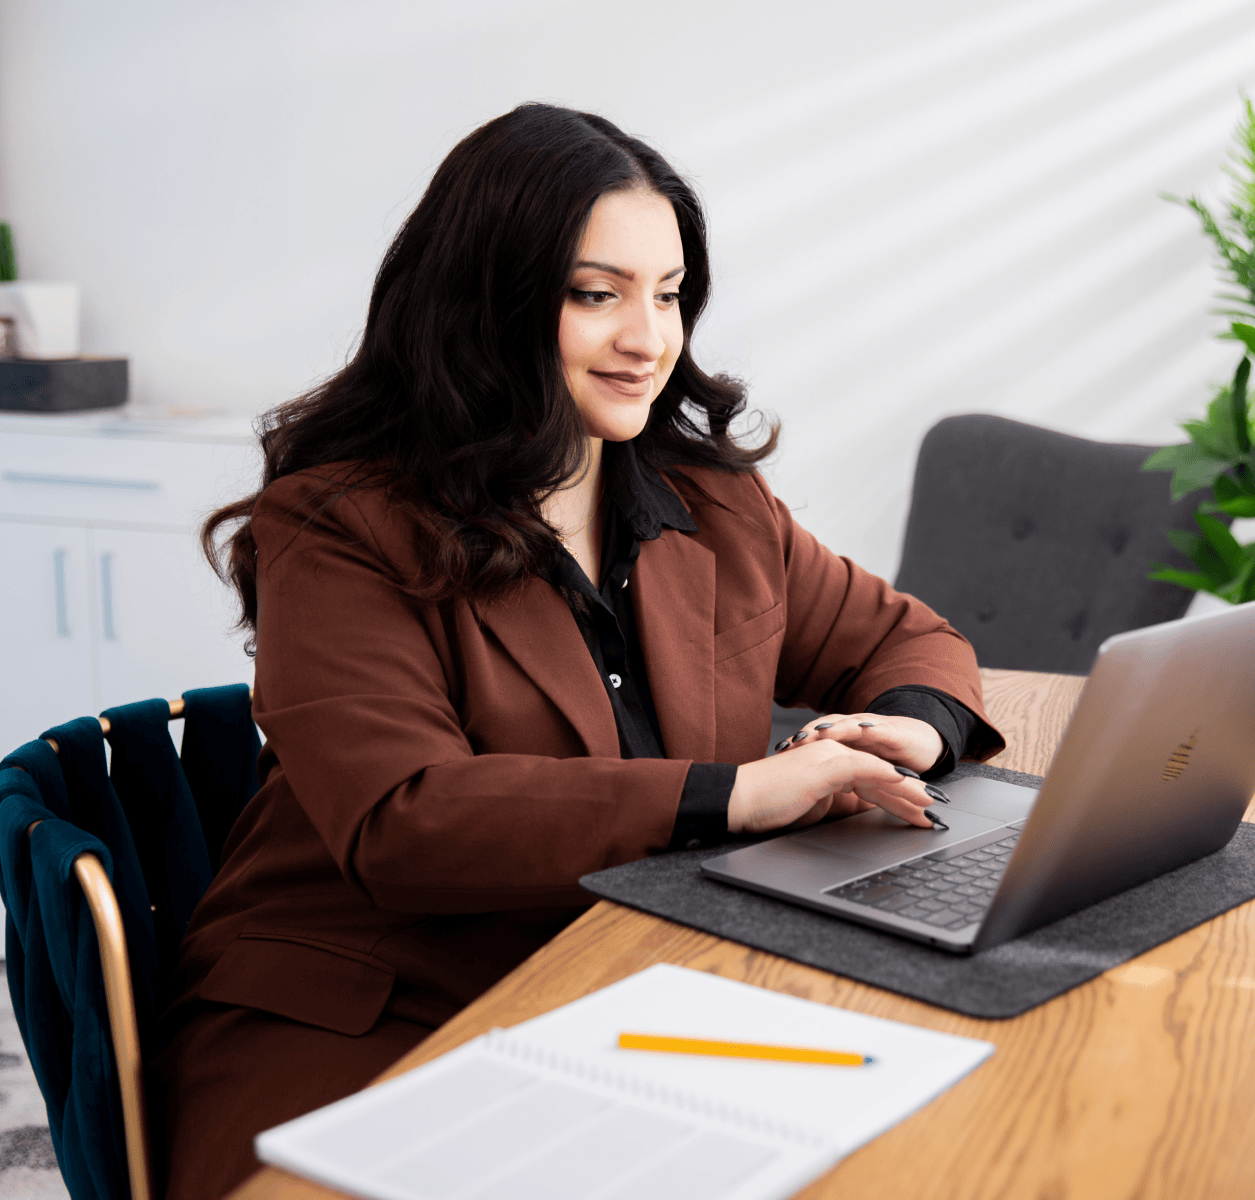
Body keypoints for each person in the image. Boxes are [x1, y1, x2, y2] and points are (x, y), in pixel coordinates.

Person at [158, 103, 1002, 1199]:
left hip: (620, 979)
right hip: (369, 1002)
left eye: (668, 295)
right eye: (594, 295)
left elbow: (908, 638)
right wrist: (736, 794)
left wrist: (919, 726)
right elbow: (404, 818)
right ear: (485, 302)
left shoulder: (716, 506)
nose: (647, 339)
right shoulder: (339, 524)